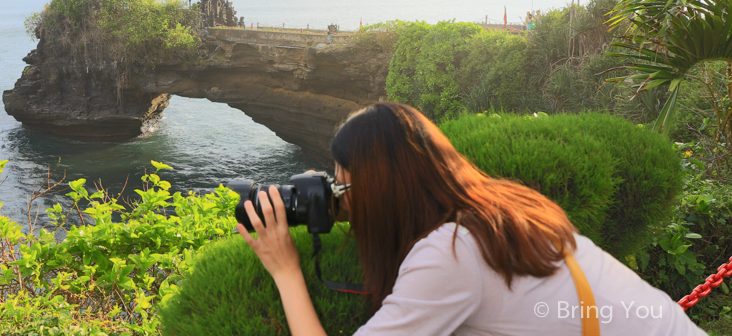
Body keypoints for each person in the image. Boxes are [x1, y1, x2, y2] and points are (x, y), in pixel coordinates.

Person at [237, 102, 706, 335]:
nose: (339, 195)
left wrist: (285, 267)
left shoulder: (452, 254)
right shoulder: (498, 208)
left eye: (344, 183)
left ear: (383, 192)